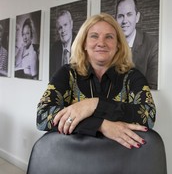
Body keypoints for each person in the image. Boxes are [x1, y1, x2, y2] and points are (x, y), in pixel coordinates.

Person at [37, 13, 156, 149]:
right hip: (74, 157)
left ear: (118, 44)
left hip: (121, 158)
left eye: (109, 37)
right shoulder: (67, 73)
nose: (101, 43)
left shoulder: (133, 76)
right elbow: (43, 115)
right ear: (84, 43)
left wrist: (94, 104)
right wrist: (100, 125)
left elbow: (148, 116)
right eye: (94, 36)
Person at [116, 0, 158, 90]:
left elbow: (153, 87)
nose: (124, 21)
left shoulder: (151, 45)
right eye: (120, 16)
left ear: (137, 17)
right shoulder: (109, 45)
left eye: (129, 14)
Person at [49, 10, 74, 78]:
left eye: (65, 25)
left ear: (71, 24)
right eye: (60, 27)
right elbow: (52, 76)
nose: (63, 30)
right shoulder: (54, 48)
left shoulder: (81, 44)